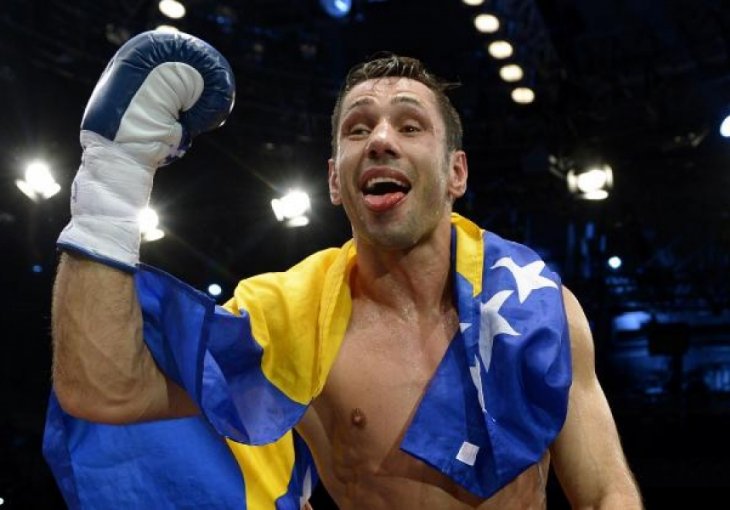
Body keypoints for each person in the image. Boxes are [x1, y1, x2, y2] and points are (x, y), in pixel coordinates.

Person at [47, 30, 643, 509]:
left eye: (410, 125)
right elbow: (103, 390)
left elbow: (605, 492)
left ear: (456, 173)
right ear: (336, 181)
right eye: (358, 128)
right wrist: (114, 176)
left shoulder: (541, 309)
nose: (380, 140)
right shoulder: (290, 318)